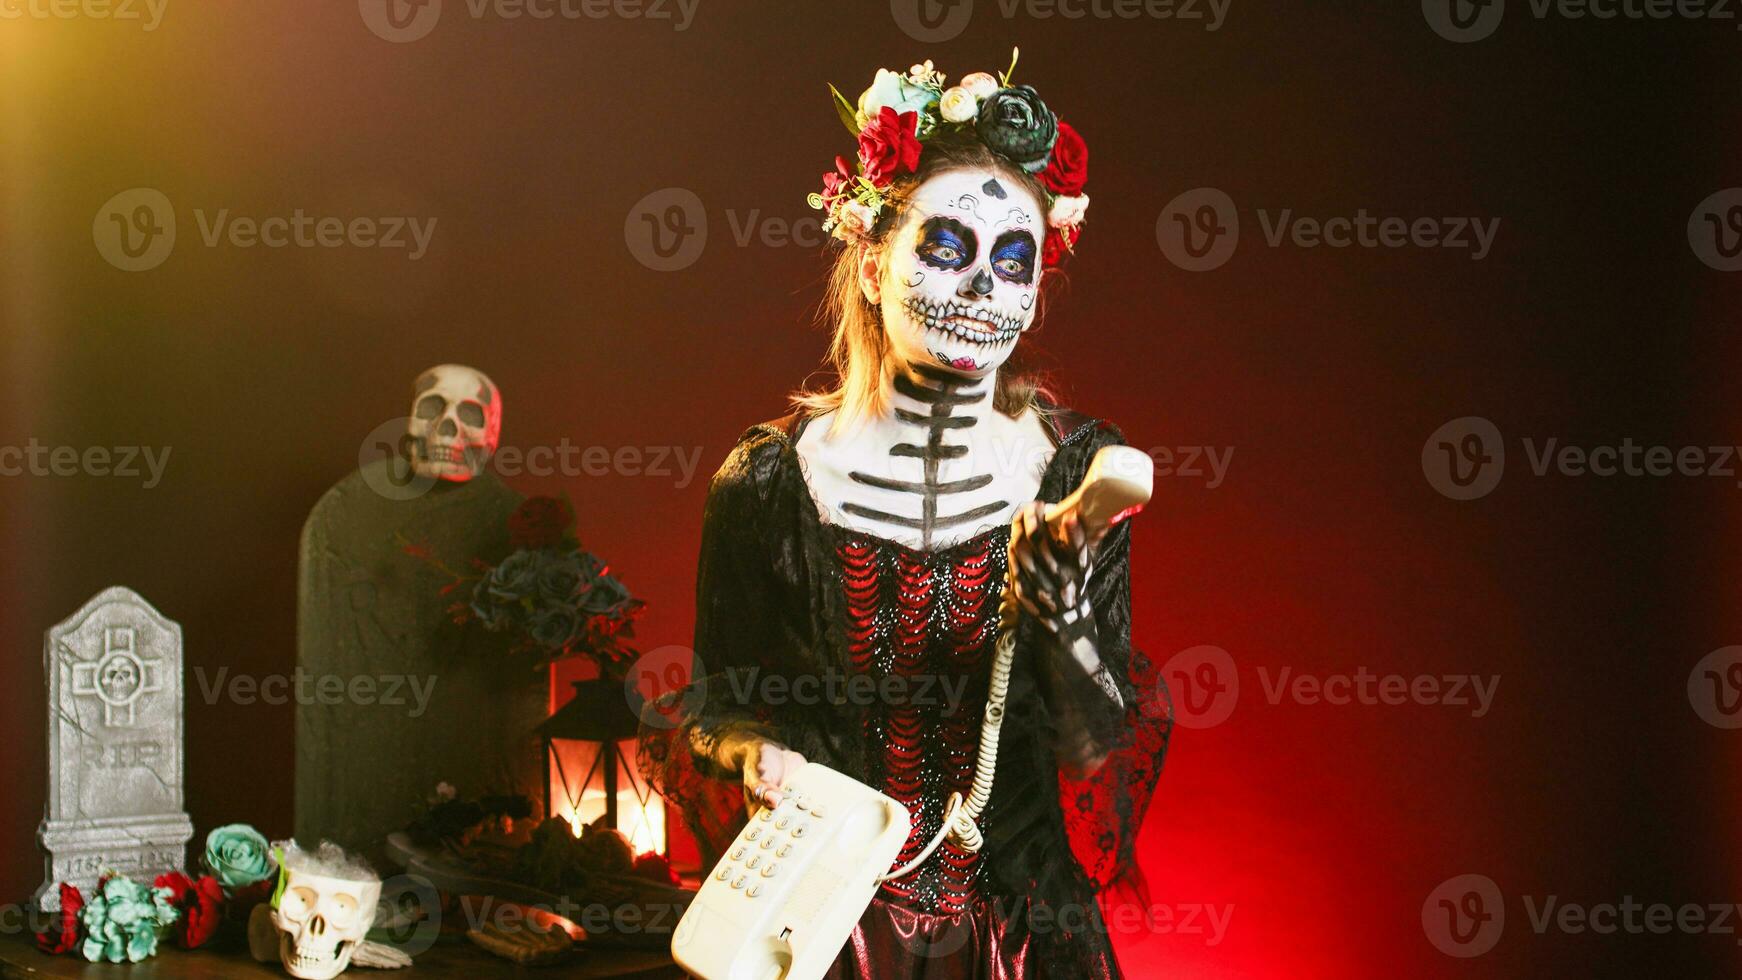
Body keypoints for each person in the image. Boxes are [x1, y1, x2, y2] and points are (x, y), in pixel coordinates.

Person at [643, 53, 1171, 978]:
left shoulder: (1071, 472)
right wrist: (757, 753)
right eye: (947, 248)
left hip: (1018, 937)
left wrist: (1064, 618)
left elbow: (1097, 749)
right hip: (822, 929)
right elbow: (714, 703)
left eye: (1015, 263)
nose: (983, 289)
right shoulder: (766, 483)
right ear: (874, 258)